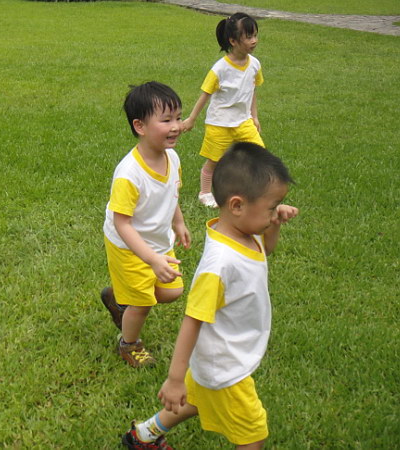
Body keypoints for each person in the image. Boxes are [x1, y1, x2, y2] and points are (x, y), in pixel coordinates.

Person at [122, 142, 299, 449]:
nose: (275, 212)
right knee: (253, 434)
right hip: (226, 365)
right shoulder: (219, 265)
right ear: (237, 205)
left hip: (218, 354)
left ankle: (144, 435)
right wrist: (174, 379)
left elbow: (265, 250)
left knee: (194, 401)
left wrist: (273, 224)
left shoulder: (244, 234)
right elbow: (192, 320)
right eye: (271, 207)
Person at [100, 81, 191, 368]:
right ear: (140, 126)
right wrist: (151, 259)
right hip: (128, 245)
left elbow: (171, 192)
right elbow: (122, 223)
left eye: (178, 118)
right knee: (142, 302)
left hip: (156, 240)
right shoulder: (129, 174)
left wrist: (178, 222)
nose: (176, 126)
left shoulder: (172, 157)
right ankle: (129, 344)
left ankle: (119, 298)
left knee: (172, 291)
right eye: (166, 120)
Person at [183, 12, 264, 208]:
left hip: (243, 121)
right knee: (214, 160)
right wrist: (191, 119)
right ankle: (205, 192)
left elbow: (252, 90)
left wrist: (254, 116)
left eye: (255, 35)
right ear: (233, 41)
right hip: (219, 123)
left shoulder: (254, 65)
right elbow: (205, 95)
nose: (254, 41)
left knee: (259, 154)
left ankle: (247, 189)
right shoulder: (219, 69)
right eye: (249, 37)